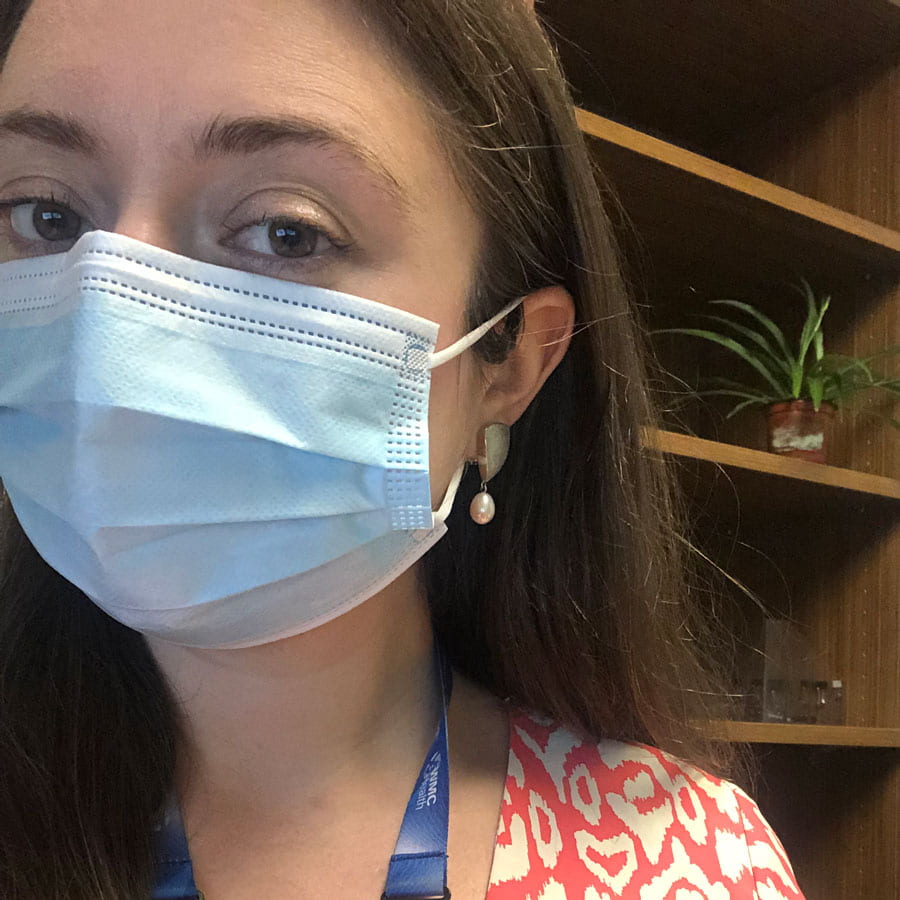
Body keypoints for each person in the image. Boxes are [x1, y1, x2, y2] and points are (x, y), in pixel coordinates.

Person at [0, 1, 807, 898]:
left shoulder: (691, 863)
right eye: (45, 215)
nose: (111, 328)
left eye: (285, 232)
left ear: (509, 366)